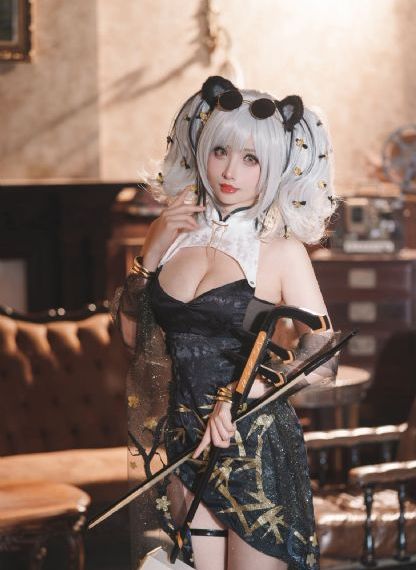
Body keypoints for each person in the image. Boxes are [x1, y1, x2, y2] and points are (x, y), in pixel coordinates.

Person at [112, 76, 338, 570]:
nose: (230, 171)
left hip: (253, 445)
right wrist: (149, 255)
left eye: (251, 159)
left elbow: (323, 357)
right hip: (185, 441)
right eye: (220, 151)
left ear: (273, 166)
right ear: (201, 151)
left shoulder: (281, 251)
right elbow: (132, 339)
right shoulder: (171, 234)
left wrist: (249, 391)